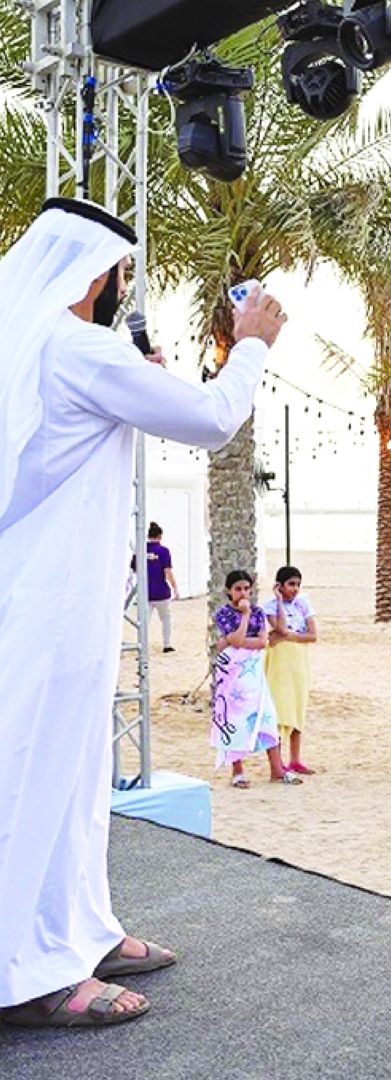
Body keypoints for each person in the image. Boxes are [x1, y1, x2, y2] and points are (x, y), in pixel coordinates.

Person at [0, 199, 285, 1029]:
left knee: (75, 773)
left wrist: (139, 371)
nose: (124, 288)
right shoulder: (76, 346)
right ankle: (29, 972)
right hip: (50, 608)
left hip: (50, 599)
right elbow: (211, 418)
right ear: (98, 271)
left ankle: (77, 932)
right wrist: (254, 341)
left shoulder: (32, 345)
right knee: (38, 777)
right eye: (123, 273)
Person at [212, 571, 293, 789]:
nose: (243, 593)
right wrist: (244, 617)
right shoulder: (224, 613)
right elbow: (237, 639)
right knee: (235, 719)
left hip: (254, 674)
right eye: (238, 589)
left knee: (267, 716)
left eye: (247, 589)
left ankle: (277, 769)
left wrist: (234, 640)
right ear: (229, 590)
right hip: (233, 675)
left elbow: (262, 641)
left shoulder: (258, 612)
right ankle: (237, 770)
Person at [264, 565, 318, 776]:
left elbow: (312, 635)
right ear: (280, 585)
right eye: (290, 584)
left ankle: (295, 759)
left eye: (297, 584)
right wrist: (278, 600)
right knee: (279, 708)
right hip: (280, 662)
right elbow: (282, 628)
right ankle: (278, 762)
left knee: (297, 706)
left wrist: (289, 637)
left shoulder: (303, 604)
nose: (294, 589)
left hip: (299, 661)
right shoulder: (269, 606)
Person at [144, 522, 178, 652]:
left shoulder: (141, 550)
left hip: (146, 591)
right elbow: (167, 572)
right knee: (166, 618)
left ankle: (144, 646)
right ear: (160, 536)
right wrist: (175, 587)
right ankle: (166, 644)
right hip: (161, 591)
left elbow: (134, 568)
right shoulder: (164, 551)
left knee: (144, 621)